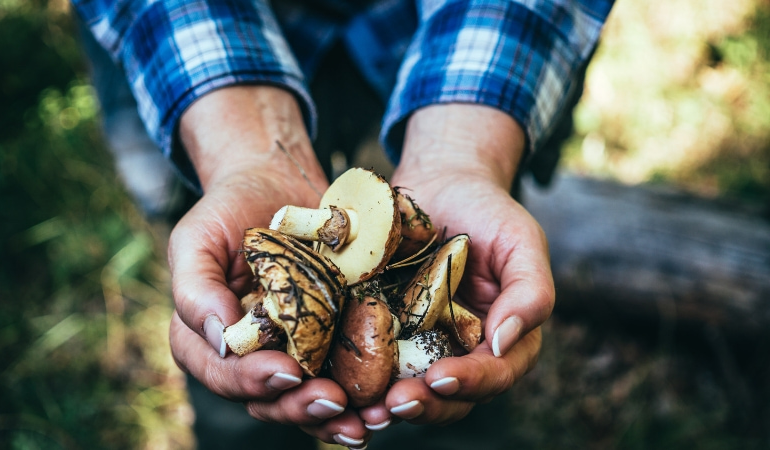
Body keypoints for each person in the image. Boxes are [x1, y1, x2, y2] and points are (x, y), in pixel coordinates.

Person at [74, 0, 614, 448]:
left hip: (436, 48)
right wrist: (244, 151)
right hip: (198, 64)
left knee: (447, 404)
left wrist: (462, 149)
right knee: (235, 339)